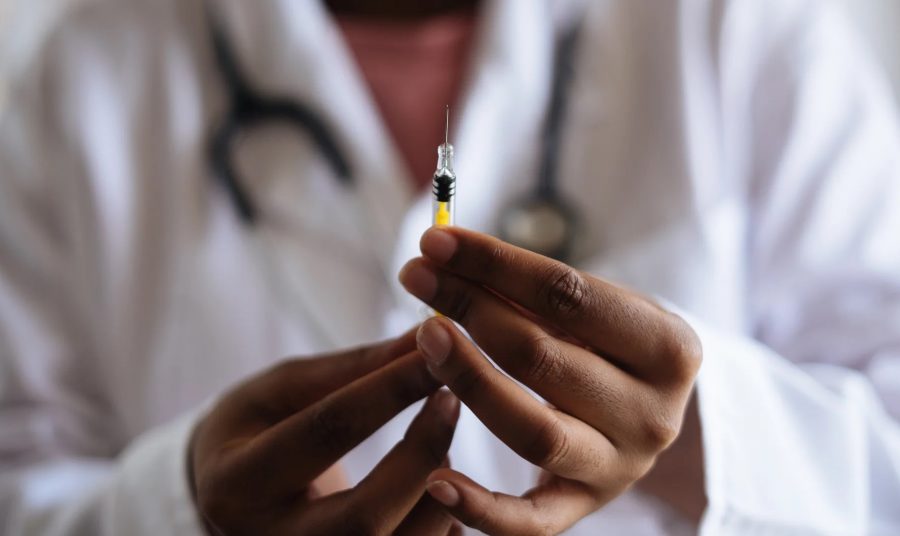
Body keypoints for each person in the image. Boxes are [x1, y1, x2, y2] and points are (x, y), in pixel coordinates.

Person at [1, 0, 899, 534]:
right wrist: (178, 502)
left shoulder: (741, 32)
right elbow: (21, 491)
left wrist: (704, 426)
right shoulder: (80, 81)